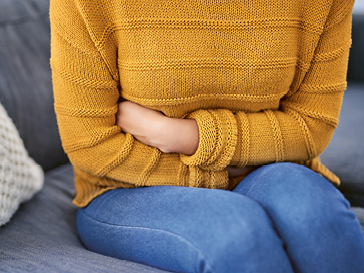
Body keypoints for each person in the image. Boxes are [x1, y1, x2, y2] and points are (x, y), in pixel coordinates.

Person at [50, 0, 364, 272]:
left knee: (316, 216)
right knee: (235, 231)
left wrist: (184, 136)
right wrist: (221, 171)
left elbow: (310, 126)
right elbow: (91, 144)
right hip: (126, 188)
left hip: (266, 171)